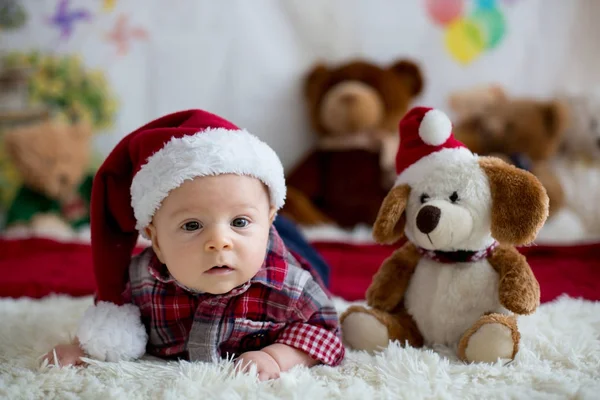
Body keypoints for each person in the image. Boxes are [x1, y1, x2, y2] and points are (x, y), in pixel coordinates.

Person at [44, 109, 345, 381]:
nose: (218, 242)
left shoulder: (290, 286)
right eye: (192, 225)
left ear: (267, 221)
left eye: (238, 222)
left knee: (314, 263)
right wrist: (82, 347)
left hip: (283, 249)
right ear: (156, 240)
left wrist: (277, 356)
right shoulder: (140, 282)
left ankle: (278, 227)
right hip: (253, 237)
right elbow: (109, 317)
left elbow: (326, 331)